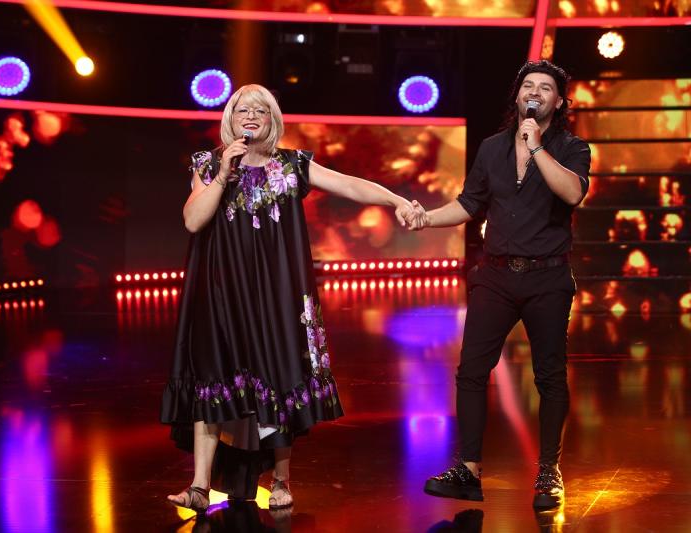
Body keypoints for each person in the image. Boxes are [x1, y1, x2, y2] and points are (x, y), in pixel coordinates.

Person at [161, 84, 418, 513]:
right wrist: (222, 174)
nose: (250, 116)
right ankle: (200, 486)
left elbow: (348, 185)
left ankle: (281, 479)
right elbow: (192, 220)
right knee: (212, 375)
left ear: (272, 119)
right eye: (242, 109)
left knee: (279, 374)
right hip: (222, 292)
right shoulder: (209, 164)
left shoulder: (292, 165)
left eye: (260, 110)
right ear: (230, 118)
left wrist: (393, 199)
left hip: (276, 291)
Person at [411, 60, 591, 509]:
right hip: (495, 275)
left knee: (549, 376)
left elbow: (572, 193)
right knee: (472, 370)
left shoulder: (572, 148)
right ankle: (468, 470)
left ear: (559, 102)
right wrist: (426, 219)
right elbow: (469, 203)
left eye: (545, 88)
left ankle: (548, 471)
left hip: (548, 276)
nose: (535, 92)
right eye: (528, 85)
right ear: (517, 95)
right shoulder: (492, 148)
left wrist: (536, 147)